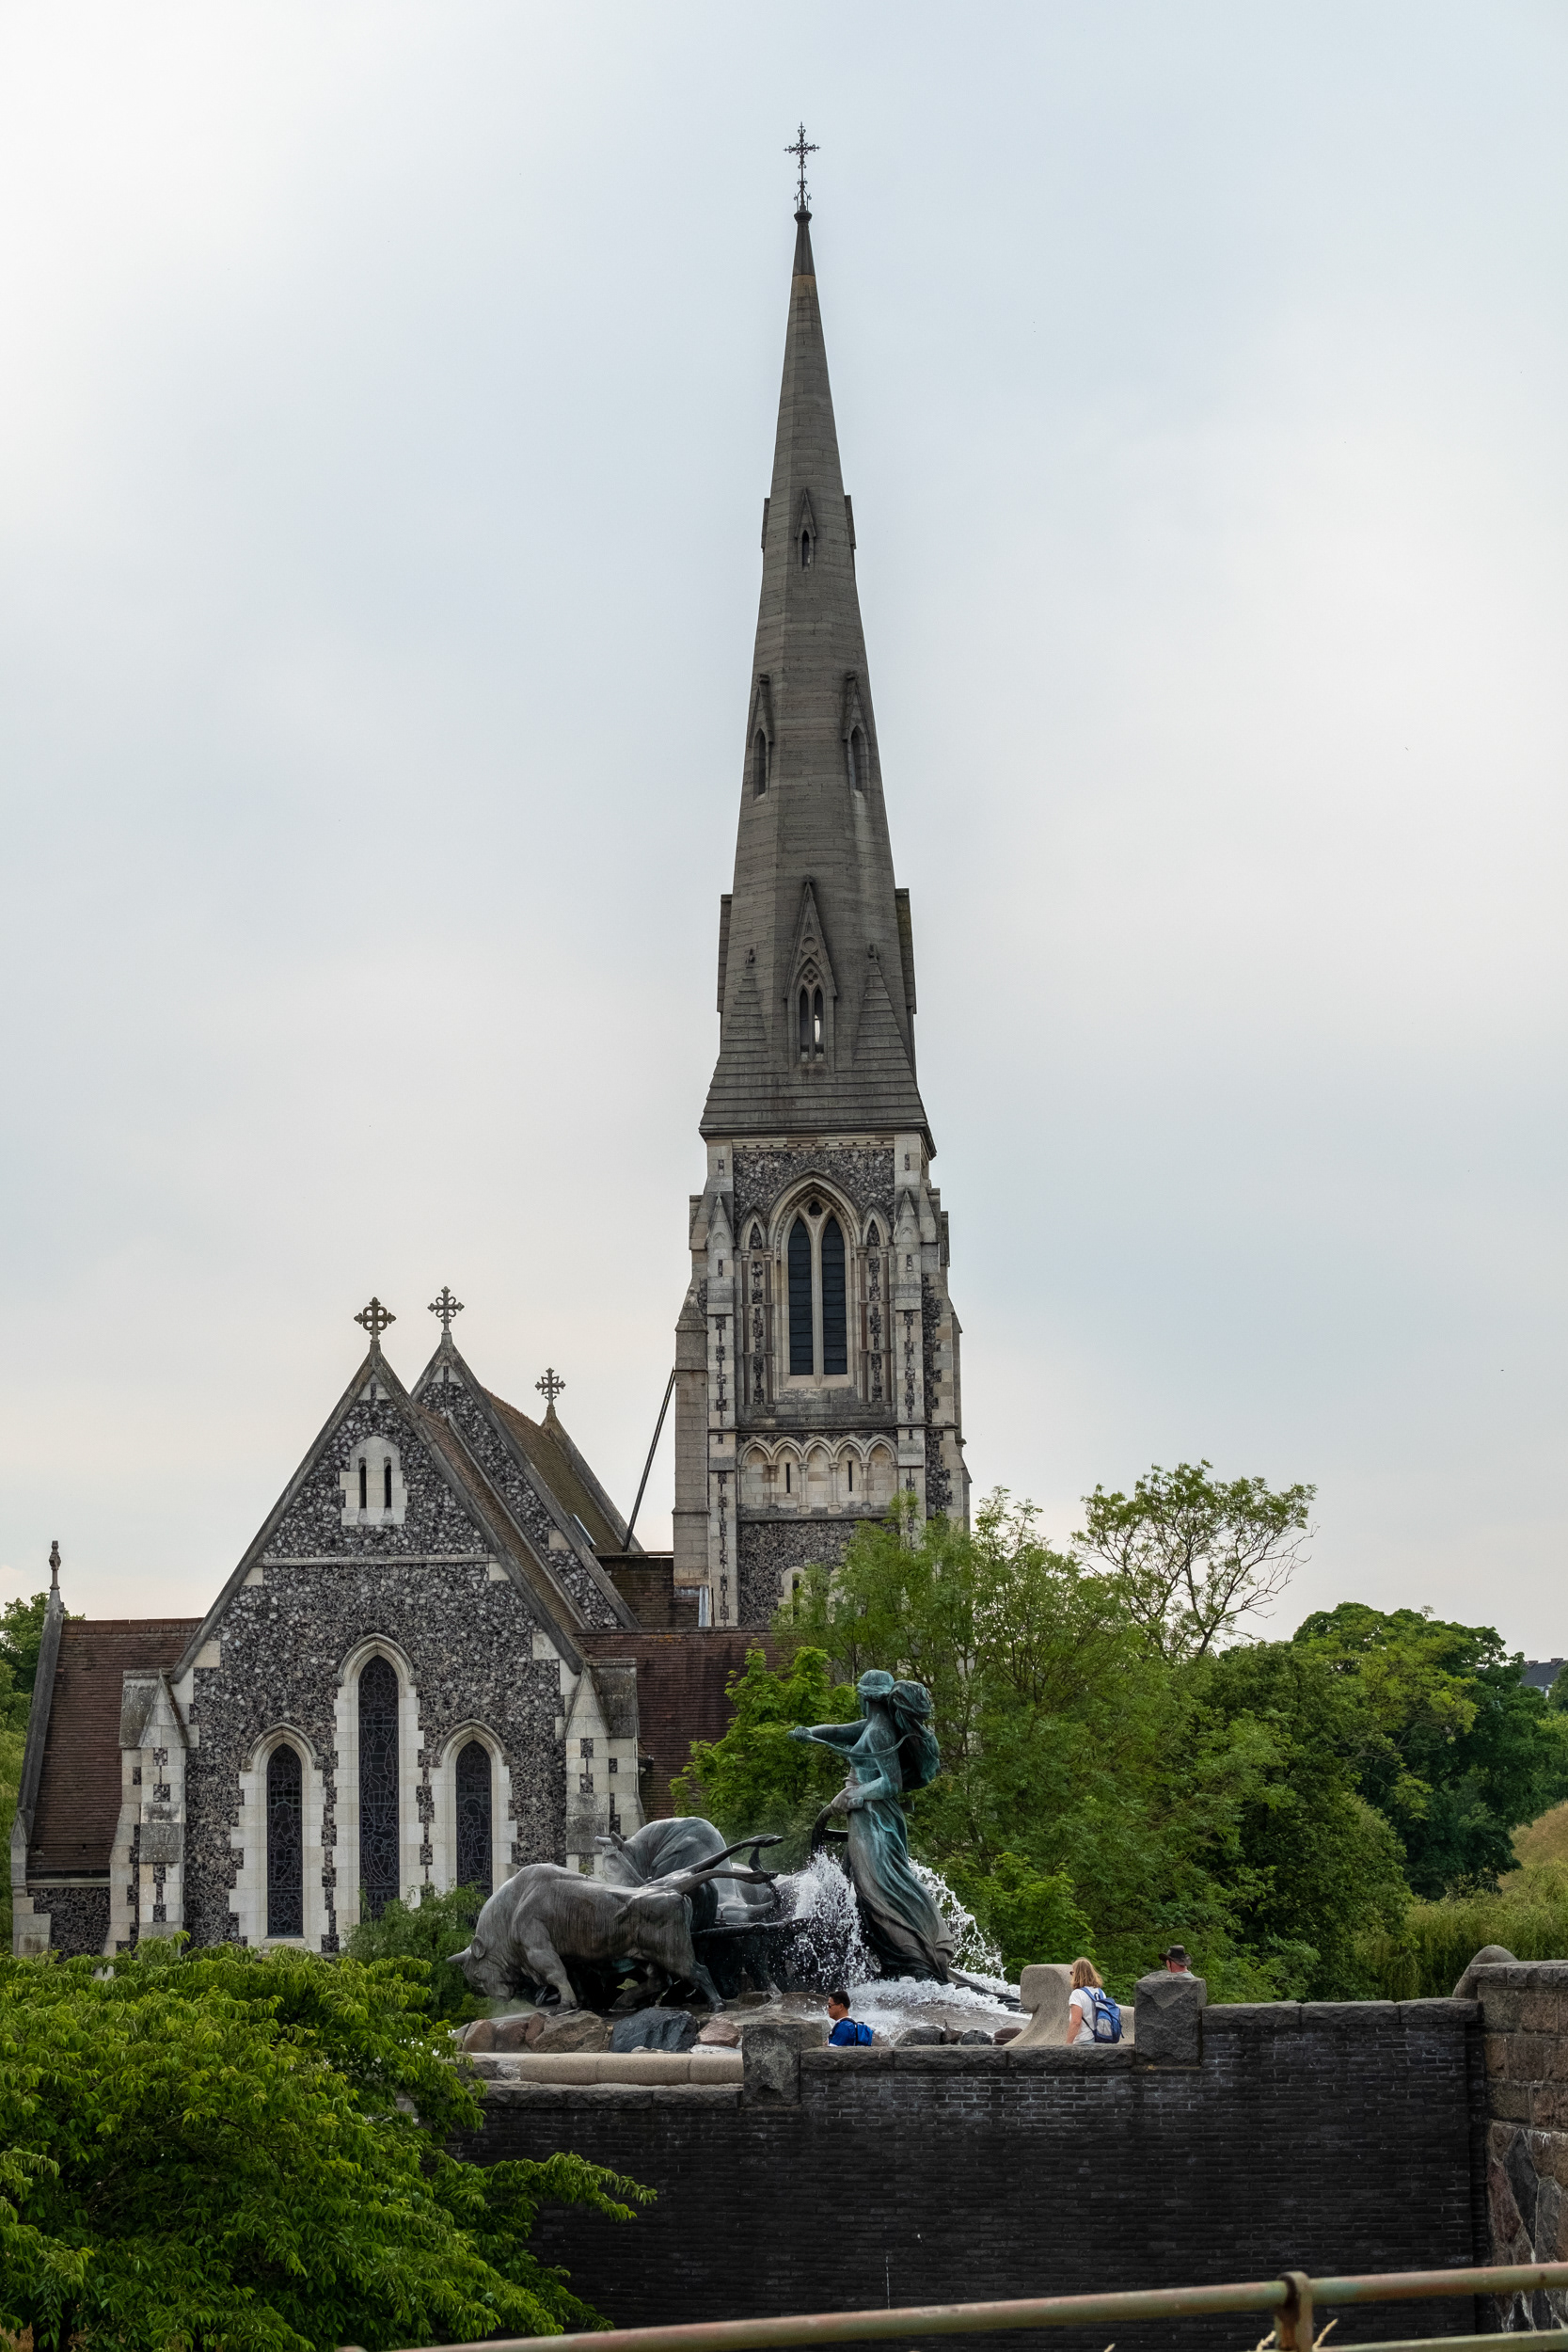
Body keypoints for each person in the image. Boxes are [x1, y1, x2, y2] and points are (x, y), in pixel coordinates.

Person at [788, 1672, 955, 1980]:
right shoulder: (872, 1725)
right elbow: (838, 1731)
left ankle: (920, 1956)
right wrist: (809, 1731)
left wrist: (853, 1794)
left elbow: (891, 1783)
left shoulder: (879, 1731)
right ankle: (886, 1958)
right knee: (862, 1886)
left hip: (876, 1821)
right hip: (868, 1818)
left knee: (881, 1888)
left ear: (864, 1697)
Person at [1064, 1956, 1110, 2044]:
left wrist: (1067, 2044)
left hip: (1084, 2040)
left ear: (1077, 1974)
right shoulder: (1100, 1992)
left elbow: (1076, 2022)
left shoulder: (1077, 1994)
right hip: (1101, 2039)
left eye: (1072, 1973)